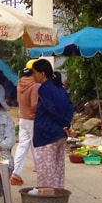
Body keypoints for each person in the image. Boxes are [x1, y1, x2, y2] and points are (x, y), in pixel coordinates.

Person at [31, 59, 74, 189]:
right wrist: (66, 124)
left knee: (46, 173)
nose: (33, 76)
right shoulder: (60, 88)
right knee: (58, 171)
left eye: (34, 73)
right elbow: (70, 106)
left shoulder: (44, 89)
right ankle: (59, 199)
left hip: (47, 134)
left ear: (42, 74)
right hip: (60, 134)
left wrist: (63, 123)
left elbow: (52, 109)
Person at [10, 60, 39, 186]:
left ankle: (15, 174)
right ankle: (42, 171)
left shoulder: (20, 83)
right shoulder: (35, 85)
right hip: (33, 119)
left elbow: (18, 100)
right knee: (37, 146)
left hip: (23, 118)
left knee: (22, 146)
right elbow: (34, 105)